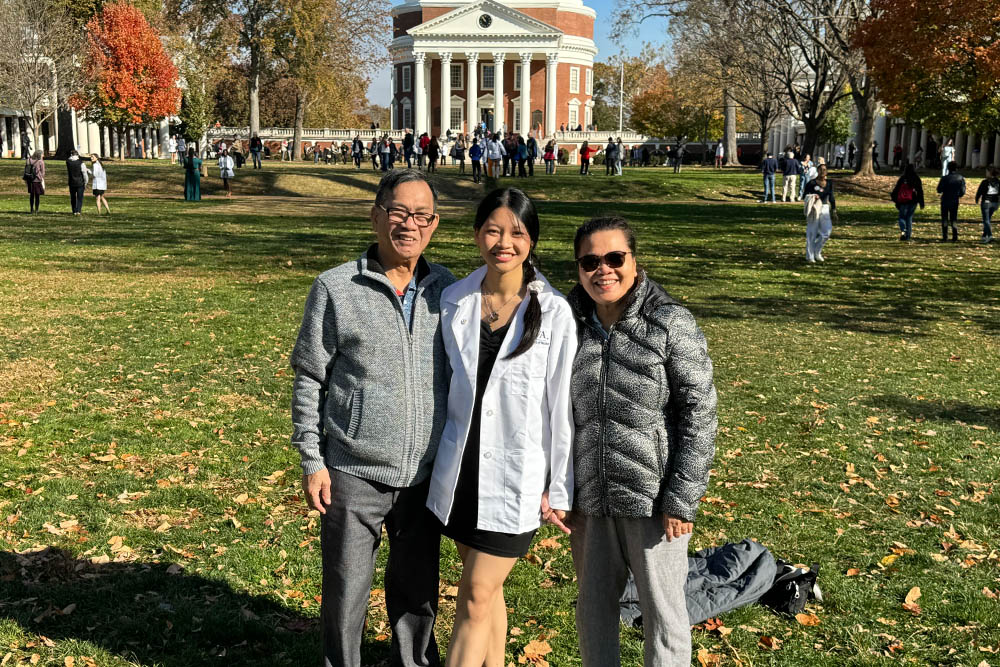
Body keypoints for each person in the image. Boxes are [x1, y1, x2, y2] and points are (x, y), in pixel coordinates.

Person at [291, 169, 455, 667]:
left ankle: (412, 661)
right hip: (352, 470)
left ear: (434, 223)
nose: (409, 225)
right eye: (398, 212)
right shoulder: (336, 288)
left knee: (417, 589)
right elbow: (308, 377)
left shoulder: (447, 291)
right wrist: (311, 459)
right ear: (376, 215)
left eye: (421, 216)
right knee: (346, 589)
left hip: (426, 474)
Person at [427, 187, 575, 667]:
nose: (503, 242)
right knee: (486, 596)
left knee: (472, 596)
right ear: (476, 235)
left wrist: (560, 486)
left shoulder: (554, 312)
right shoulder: (454, 300)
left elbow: (560, 408)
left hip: (517, 478)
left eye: (516, 232)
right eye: (493, 229)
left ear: (532, 239)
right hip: (462, 472)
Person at [567, 215, 717, 667]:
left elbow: (700, 412)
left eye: (615, 258)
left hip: (655, 503)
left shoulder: (669, 322)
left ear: (634, 261)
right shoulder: (568, 324)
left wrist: (682, 496)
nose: (603, 270)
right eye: (590, 261)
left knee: (664, 616)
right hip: (590, 500)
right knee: (593, 611)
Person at [803, 163, 837, 262]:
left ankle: (817, 251)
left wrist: (834, 209)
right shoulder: (812, 183)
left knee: (826, 232)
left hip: (825, 208)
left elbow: (831, 197)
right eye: (821, 169)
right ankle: (810, 256)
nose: (823, 171)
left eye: (824, 170)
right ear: (817, 171)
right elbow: (804, 195)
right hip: (814, 208)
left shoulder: (829, 183)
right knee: (812, 232)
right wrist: (813, 196)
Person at [891, 163, 924, 241]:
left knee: (902, 217)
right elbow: (920, 191)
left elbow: (896, 189)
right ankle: (908, 236)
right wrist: (921, 202)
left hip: (903, 201)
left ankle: (903, 231)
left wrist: (895, 199)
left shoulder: (903, 178)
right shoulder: (916, 178)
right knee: (909, 218)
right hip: (913, 200)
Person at [937, 161, 965, 242]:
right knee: (953, 218)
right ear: (956, 169)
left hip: (945, 199)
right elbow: (963, 191)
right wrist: (958, 194)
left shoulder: (944, 178)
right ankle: (955, 236)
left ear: (948, 168)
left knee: (944, 218)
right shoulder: (960, 178)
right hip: (954, 200)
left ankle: (945, 236)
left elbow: (939, 190)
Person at [974, 166, 999, 243]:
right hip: (995, 203)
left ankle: (990, 235)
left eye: (986, 172)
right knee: (988, 219)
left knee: (986, 220)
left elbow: (979, 192)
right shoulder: (998, 182)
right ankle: (984, 236)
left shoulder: (985, 182)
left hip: (986, 202)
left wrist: (977, 199)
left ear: (990, 173)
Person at [66, 149, 87, 216]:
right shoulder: (81, 163)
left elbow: (69, 159)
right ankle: (78, 210)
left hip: (71, 182)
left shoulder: (68, 162)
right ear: (77, 155)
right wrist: (86, 182)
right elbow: (84, 173)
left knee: (73, 197)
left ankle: (74, 210)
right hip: (80, 182)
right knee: (80, 197)